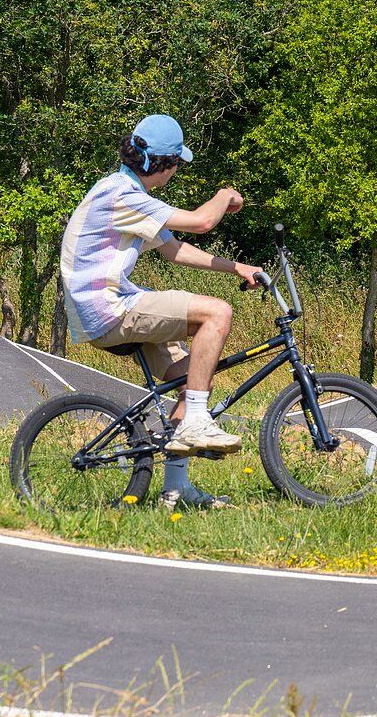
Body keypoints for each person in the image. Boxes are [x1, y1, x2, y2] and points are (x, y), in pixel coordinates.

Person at [60, 114, 264, 508]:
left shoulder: (125, 193)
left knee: (192, 381)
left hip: (103, 309)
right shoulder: (123, 194)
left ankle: (177, 487)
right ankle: (196, 423)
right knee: (217, 313)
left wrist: (236, 266)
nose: (175, 172)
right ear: (164, 165)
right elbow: (203, 221)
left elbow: (174, 250)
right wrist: (226, 194)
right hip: (109, 307)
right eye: (177, 165)